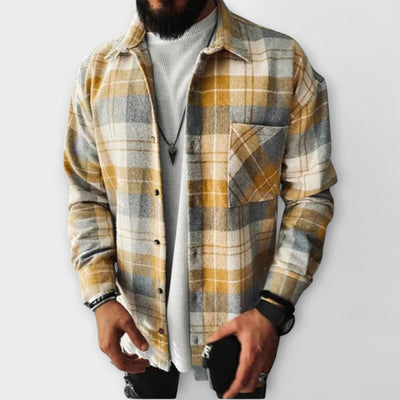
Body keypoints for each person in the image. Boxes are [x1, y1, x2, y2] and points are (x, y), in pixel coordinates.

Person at [62, 0, 338, 398]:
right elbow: (87, 195)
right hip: (139, 327)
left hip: (242, 325)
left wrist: (273, 310)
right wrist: (100, 296)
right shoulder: (97, 73)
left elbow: (310, 197)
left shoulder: (281, 63)